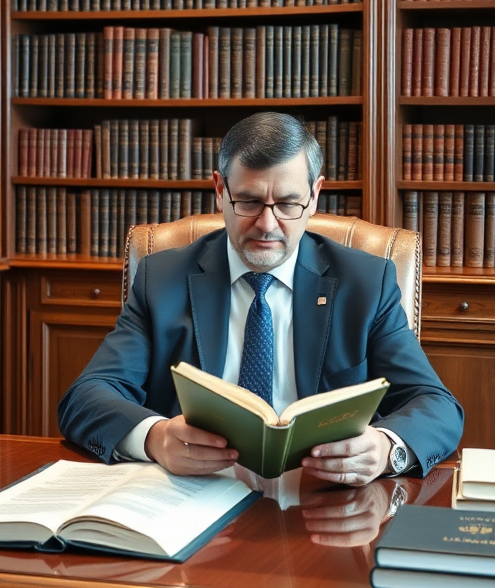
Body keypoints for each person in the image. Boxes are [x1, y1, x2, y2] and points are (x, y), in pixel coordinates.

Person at [58, 112, 463, 485]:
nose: (267, 225)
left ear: (315, 196)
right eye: (249, 201)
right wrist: (156, 438)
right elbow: (87, 396)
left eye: (288, 203)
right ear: (220, 190)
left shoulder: (365, 282)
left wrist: (385, 448)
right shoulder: (162, 279)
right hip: (194, 493)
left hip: (324, 497)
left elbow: (436, 404)